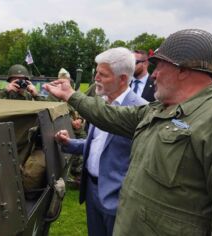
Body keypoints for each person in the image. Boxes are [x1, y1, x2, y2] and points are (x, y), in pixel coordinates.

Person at [44, 29, 212, 235]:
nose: (154, 74)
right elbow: (109, 115)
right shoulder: (157, 109)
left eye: (160, 66)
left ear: (183, 70)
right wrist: (71, 95)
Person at [54, 48, 147, 236]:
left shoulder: (141, 110)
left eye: (102, 75)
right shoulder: (100, 105)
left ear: (122, 79)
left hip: (118, 199)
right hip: (92, 191)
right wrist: (69, 143)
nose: (96, 78)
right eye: (96, 72)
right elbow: (97, 145)